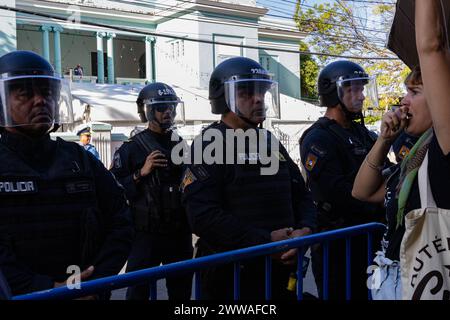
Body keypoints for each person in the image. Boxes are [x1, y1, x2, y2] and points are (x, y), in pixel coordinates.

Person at [0, 50, 134, 297]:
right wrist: (46, 289)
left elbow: (122, 220)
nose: (41, 100)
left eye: (47, 92)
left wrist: (96, 281)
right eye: (25, 93)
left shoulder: (79, 158)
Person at [182, 57, 316, 300]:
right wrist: (264, 242)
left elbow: (302, 195)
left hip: (279, 270)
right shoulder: (209, 145)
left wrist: (305, 231)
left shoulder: (270, 142)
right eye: (246, 93)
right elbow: (202, 216)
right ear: (225, 98)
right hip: (231, 276)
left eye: (262, 93)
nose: (258, 99)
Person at [353, 0, 450, 299]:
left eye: (416, 92)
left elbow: (431, 46)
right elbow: (363, 192)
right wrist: (383, 140)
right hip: (393, 278)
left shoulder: (446, 147)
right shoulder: (419, 153)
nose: (404, 101)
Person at [299, 60, 385, 299]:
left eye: (361, 88)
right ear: (333, 93)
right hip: (338, 243)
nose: (361, 96)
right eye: (353, 89)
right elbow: (337, 192)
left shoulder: (363, 134)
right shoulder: (318, 138)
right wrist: (378, 198)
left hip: (370, 239)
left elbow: (388, 173)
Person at [110, 82, 193, 300]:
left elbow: (192, 182)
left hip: (178, 232)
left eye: (172, 107)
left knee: (181, 289)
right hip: (146, 234)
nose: (169, 112)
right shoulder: (131, 148)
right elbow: (114, 191)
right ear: (148, 110)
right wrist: (141, 173)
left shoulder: (180, 145)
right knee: (138, 290)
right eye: (162, 107)